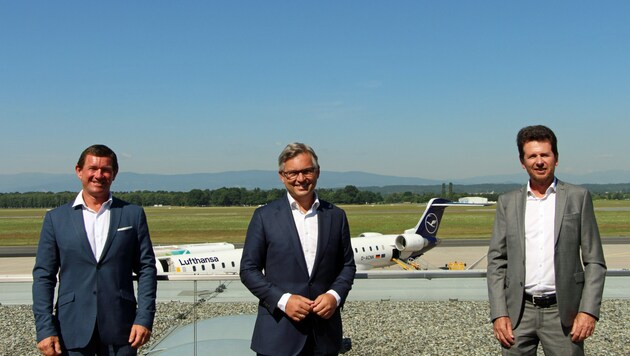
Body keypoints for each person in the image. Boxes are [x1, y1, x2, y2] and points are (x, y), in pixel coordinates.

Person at [487, 125, 607, 355]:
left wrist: (588, 311)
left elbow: (595, 262)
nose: (539, 161)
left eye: (545, 154)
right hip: (518, 314)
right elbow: (496, 262)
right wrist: (499, 312)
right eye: (532, 156)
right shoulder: (507, 202)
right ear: (523, 162)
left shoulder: (578, 198)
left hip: (564, 315)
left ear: (556, 158)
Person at [32, 144, 157, 356]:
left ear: (114, 174)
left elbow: (146, 269)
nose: (99, 175)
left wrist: (144, 318)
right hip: (71, 330)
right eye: (92, 168)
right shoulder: (56, 219)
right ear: (79, 171)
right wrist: (44, 328)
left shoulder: (132, 215)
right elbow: (44, 276)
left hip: (123, 330)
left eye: (106, 169)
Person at [240, 142, 356, 356]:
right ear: (282, 176)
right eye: (292, 173)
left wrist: (334, 296)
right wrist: (283, 300)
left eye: (306, 171)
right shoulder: (264, 217)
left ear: (317, 172)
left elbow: (347, 266)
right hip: (277, 336)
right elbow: (248, 270)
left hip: (324, 337)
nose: (300, 179)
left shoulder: (337, 216)